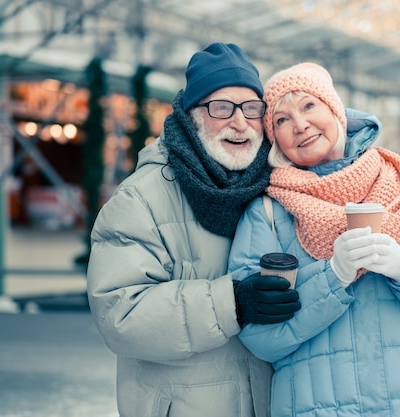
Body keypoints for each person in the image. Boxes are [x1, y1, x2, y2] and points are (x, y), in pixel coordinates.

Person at [228, 62, 400, 417]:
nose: (300, 125)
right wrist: (334, 277)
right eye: (281, 119)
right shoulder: (268, 214)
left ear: (336, 111)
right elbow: (262, 339)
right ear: (275, 138)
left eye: (310, 105)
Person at [86, 43, 302, 417]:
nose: (239, 122)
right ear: (190, 116)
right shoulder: (142, 198)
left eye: (251, 108)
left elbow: (336, 153)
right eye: (221, 107)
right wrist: (231, 302)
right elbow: (120, 315)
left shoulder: (279, 187)